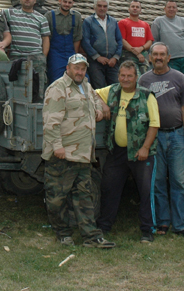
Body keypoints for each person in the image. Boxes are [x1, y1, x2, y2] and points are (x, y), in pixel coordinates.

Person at [42, 53, 116, 249]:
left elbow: (93, 103)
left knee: (84, 197)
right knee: (57, 198)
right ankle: (63, 233)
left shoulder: (87, 87)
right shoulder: (58, 88)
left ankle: (91, 237)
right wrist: (57, 146)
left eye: (83, 68)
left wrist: (99, 111)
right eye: (76, 68)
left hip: (83, 154)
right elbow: (51, 122)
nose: (80, 71)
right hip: (63, 154)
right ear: (68, 69)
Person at [96, 60, 160, 243]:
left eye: (129, 76)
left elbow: (154, 125)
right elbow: (93, 94)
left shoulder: (147, 96)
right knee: (109, 188)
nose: (125, 79)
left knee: (146, 191)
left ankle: (147, 230)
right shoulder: (113, 91)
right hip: (117, 152)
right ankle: (104, 226)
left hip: (140, 152)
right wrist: (104, 105)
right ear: (118, 76)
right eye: (122, 75)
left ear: (136, 77)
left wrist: (145, 148)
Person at [138, 43, 184, 238]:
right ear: (150, 57)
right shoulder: (143, 80)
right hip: (155, 137)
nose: (159, 57)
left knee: (179, 181)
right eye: (155, 54)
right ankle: (163, 222)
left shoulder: (180, 78)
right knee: (158, 181)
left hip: (177, 135)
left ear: (169, 57)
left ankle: (180, 224)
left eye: (162, 54)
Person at [3, 0, 50, 97]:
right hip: (16, 55)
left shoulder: (41, 18)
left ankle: (39, 101)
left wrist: (43, 56)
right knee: (16, 82)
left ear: (34, 1)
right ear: (20, 0)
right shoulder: (10, 13)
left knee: (39, 83)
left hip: (36, 55)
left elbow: (46, 39)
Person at [151, 1, 184, 98]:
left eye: (174, 7)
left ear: (177, 9)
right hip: (170, 60)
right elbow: (154, 40)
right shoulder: (158, 21)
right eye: (169, 7)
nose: (171, 9)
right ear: (164, 9)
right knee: (174, 84)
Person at [81, 0, 123, 89]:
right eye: (99, 6)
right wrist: (97, 57)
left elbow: (119, 40)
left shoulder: (113, 21)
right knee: (99, 88)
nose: (102, 8)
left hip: (112, 61)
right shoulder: (88, 21)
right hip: (96, 62)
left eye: (104, 6)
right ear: (94, 7)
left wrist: (116, 57)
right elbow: (85, 41)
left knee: (116, 87)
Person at [44, 0, 82, 84]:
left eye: (69, 2)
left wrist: (75, 55)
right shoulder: (49, 15)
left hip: (71, 53)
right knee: (57, 79)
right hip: (55, 53)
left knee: (80, 78)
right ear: (60, 1)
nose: (67, 4)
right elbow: (45, 38)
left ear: (72, 3)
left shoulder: (77, 16)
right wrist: (45, 56)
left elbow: (77, 38)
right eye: (65, 2)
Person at [118, 0, 154, 76]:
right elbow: (122, 40)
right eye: (133, 6)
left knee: (146, 77)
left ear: (140, 10)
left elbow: (150, 41)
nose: (135, 8)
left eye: (137, 7)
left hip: (143, 54)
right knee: (134, 77)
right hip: (128, 54)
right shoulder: (123, 22)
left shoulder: (145, 25)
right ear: (129, 9)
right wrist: (137, 53)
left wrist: (141, 48)